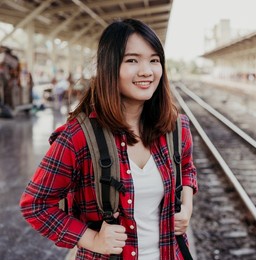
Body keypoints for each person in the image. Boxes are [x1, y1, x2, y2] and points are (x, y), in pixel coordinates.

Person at [20, 18, 198, 260]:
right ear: (110, 67)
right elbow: (35, 204)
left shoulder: (176, 127)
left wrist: (186, 206)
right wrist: (91, 238)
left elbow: (185, 167)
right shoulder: (80, 136)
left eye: (154, 60)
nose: (147, 71)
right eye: (132, 60)